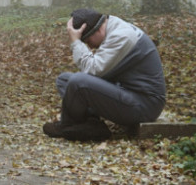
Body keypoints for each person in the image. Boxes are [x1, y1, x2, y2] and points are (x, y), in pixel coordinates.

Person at [43, 8, 166, 142]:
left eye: (87, 40)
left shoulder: (121, 37)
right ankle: (91, 124)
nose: (89, 46)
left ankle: (66, 126)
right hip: (128, 94)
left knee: (78, 81)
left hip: (145, 106)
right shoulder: (114, 28)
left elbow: (92, 69)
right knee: (64, 80)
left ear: (98, 30)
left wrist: (76, 43)